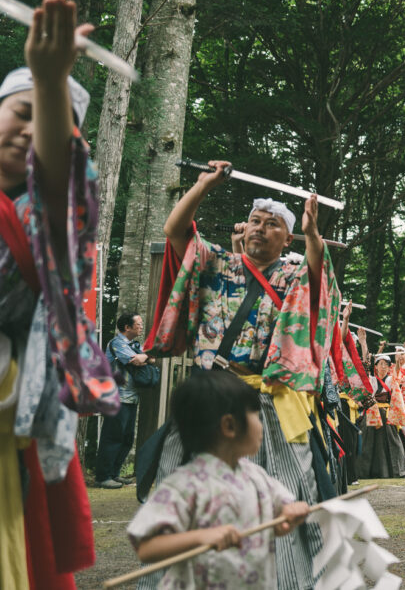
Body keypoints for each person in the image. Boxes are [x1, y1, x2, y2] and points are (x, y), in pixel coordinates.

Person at [144, 164, 342, 589]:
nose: (260, 229)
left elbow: (319, 272)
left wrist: (313, 234)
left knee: (285, 491)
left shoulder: (293, 276)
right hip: (209, 397)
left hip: (265, 402)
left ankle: (284, 581)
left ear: (286, 240)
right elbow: (175, 230)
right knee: (186, 484)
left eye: (273, 225)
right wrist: (203, 185)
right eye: (255, 221)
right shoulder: (217, 263)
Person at [0, 0, 124, 589]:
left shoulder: (43, 221)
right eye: (20, 111)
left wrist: (50, 84)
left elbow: (58, 185)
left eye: (44, 122)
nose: (29, 130)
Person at [127, 371, 310, 588]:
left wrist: (289, 514)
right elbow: (146, 547)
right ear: (229, 426)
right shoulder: (184, 485)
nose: (262, 425)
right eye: (255, 415)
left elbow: (277, 525)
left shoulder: (256, 476)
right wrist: (200, 537)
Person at [95, 313, 153, 488]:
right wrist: (145, 357)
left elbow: (150, 358)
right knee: (112, 436)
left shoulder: (134, 345)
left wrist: (145, 357)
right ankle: (103, 477)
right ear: (127, 327)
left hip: (130, 397)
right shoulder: (117, 343)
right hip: (116, 396)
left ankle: (114, 473)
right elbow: (136, 361)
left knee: (127, 438)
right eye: (138, 324)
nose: (141, 326)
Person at [357, 355, 405, 479]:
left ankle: (398, 470)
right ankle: (364, 472)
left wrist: (398, 363)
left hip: (387, 414)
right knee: (367, 441)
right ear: (375, 366)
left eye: (386, 364)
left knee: (393, 441)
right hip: (372, 413)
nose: (383, 367)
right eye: (380, 364)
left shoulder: (391, 379)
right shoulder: (371, 379)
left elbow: (398, 379)